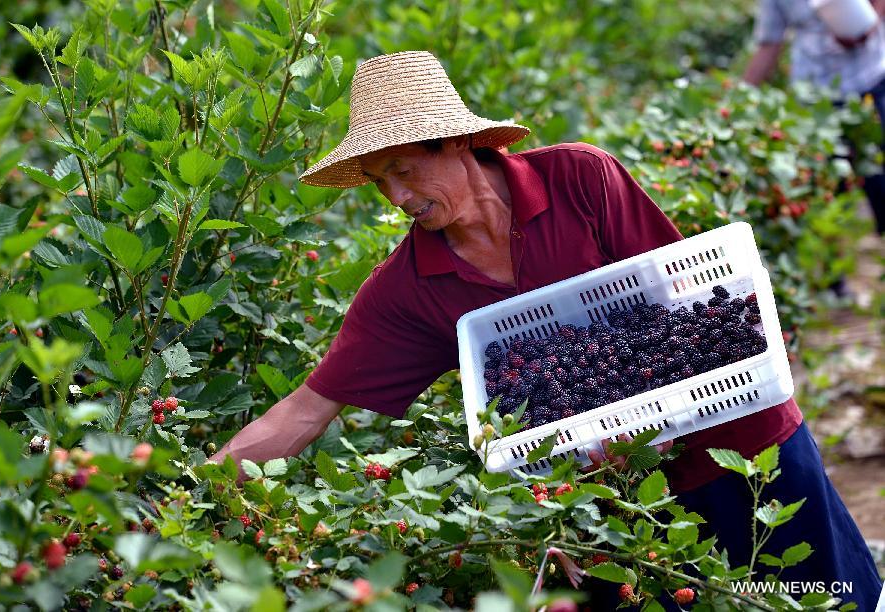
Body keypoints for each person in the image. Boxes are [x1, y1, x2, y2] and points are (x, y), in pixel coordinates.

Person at [211, 51, 881, 608]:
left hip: (743, 446)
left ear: (455, 142)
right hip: (626, 499)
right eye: (381, 183)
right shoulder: (406, 289)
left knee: (824, 598)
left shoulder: (580, 179)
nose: (398, 198)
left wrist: (639, 422)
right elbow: (307, 406)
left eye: (406, 171)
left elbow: (681, 315)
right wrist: (190, 486)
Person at [744, 0, 885, 233]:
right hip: (815, 97)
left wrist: (870, 22)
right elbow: (769, 42)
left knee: (879, 177)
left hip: (870, 79)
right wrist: (741, 95)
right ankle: (835, 252)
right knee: (828, 191)